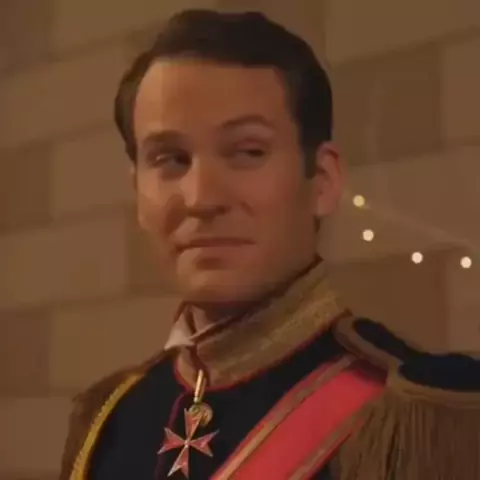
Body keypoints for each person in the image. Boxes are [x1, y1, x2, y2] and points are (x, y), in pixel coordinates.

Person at [60, 9, 480, 480]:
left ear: (322, 180)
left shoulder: (415, 422)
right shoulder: (113, 419)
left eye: (248, 152)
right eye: (171, 159)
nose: (201, 198)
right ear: (138, 192)